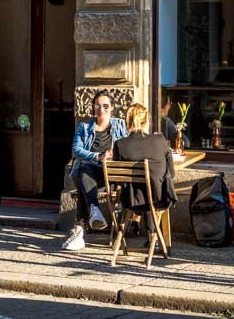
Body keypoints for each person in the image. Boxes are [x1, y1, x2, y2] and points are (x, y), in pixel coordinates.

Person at [62, 91, 127, 252]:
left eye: (105, 106)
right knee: (83, 171)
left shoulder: (119, 125)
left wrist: (113, 156)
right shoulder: (84, 127)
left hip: (113, 174)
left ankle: (79, 232)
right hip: (91, 172)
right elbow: (76, 150)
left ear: (112, 108)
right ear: (93, 107)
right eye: (98, 105)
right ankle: (94, 210)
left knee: (83, 183)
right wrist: (98, 156)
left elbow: (126, 146)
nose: (101, 109)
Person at [113, 104, 177, 218]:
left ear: (127, 122)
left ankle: (142, 228)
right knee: (151, 187)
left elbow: (118, 180)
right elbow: (171, 174)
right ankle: (152, 232)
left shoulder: (120, 144)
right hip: (161, 198)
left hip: (132, 201)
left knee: (143, 190)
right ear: (146, 121)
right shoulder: (160, 140)